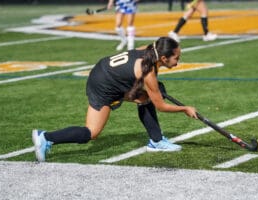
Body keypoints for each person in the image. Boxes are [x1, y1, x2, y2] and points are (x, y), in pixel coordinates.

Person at [32, 37, 198, 162]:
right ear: (163, 58)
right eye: (176, 58)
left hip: (104, 72)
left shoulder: (149, 51)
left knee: (144, 98)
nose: (178, 62)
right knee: (92, 132)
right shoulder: (148, 72)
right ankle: (45, 137)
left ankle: (156, 141)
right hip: (102, 84)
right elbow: (160, 106)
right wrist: (185, 109)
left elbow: (134, 75)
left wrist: (151, 90)